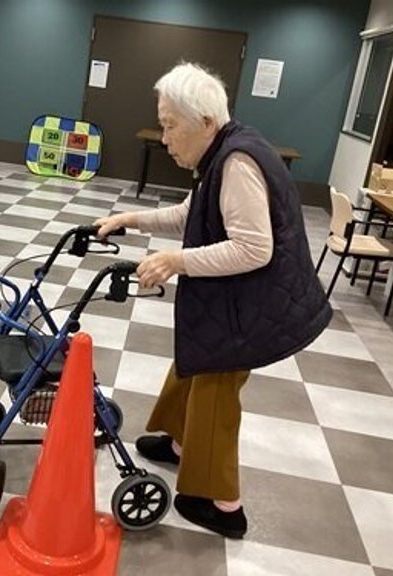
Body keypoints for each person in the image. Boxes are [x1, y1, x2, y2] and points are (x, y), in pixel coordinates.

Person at [95, 62, 331, 539]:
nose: (165, 138)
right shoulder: (223, 151)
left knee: (215, 393)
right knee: (194, 361)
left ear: (204, 122)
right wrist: (131, 220)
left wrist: (176, 262)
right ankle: (179, 445)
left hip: (252, 306)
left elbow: (254, 248)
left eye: (170, 126)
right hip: (236, 298)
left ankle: (223, 505)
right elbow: (192, 214)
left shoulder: (237, 163)